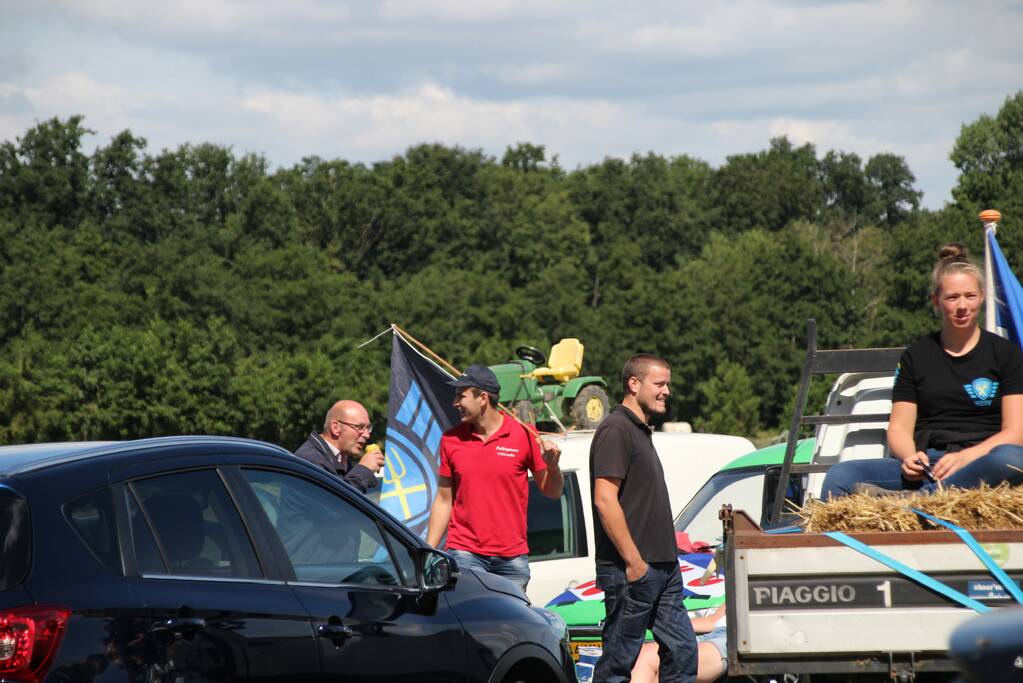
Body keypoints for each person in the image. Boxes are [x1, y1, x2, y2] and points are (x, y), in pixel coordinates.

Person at [821, 244, 1023, 500]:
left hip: (984, 462)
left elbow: (1016, 432)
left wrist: (966, 457)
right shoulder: (916, 356)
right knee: (840, 475)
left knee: (1014, 458)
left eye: (970, 296)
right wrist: (910, 458)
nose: (962, 306)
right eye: (952, 297)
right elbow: (899, 429)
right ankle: (921, 498)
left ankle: (921, 500)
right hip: (931, 465)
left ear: (982, 296)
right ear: (936, 301)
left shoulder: (1006, 353)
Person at [590, 354, 698, 683]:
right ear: (633, 384)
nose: (667, 391)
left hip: (663, 566)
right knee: (618, 663)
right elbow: (604, 499)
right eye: (659, 384)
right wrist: (634, 563)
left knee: (683, 651)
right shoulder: (616, 429)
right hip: (632, 570)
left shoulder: (639, 430)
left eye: (668, 384)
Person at [426, 364, 563, 592]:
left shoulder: (524, 434)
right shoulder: (451, 440)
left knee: (509, 617)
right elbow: (443, 499)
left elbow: (553, 491)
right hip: (465, 553)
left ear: (483, 398)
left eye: (461, 396)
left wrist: (553, 465)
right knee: (472, 613)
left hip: (513, 559)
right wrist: (429, 550)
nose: (455, 403)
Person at [294, 399, 386, 494]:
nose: (367, 435)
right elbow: (333, 499)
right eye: (360, 427)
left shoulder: (341, 459)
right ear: (335, 428)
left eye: (368, 428)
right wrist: (364, 470)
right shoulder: (311, 460)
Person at [632, 604, 728, 683]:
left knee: (677, 660)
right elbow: (710, 622)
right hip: (712, 633)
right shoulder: (733, 592)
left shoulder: (737, 589)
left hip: (730, 636)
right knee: (646, 654)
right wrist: (666, 628)